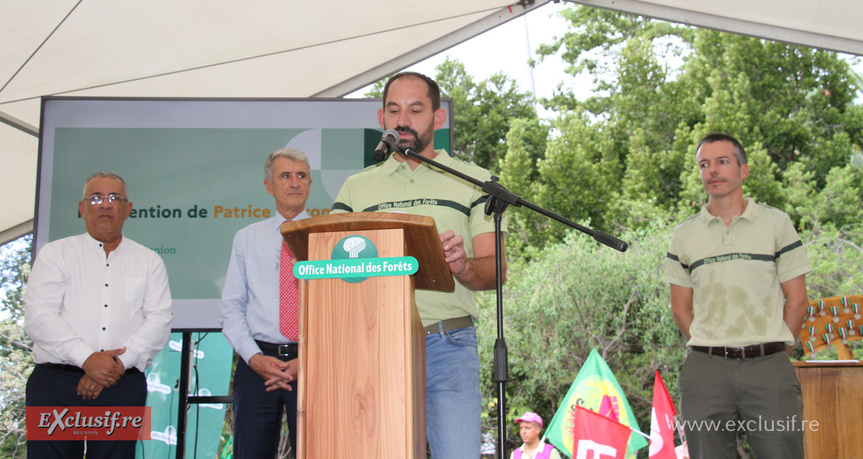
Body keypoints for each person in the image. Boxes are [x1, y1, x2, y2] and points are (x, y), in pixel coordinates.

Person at [331, 71, 506, 458]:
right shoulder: (356, 187)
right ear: (381, 119)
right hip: (373, 345)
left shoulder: (476, 181)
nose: (403, 119)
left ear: (438, 118)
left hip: (449, 344)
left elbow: (496, 271)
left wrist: (462, 265)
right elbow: (329, 262)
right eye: (393, 110)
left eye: (415, 109)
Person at [664, 133, 812, 459]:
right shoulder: (684, 235)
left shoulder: (777, 224)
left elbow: (798, 300)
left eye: (722, 162)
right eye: (704, 164)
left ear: (743, 170)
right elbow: (680, 310)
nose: (713, 171)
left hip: (769, 368)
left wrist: (774, 348)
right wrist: (713, 345)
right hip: (705, 372)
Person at [24, 171, 173, 458]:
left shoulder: (149, 261)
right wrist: (88, 360)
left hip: (122, 385)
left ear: (128, 209)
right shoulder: (55, 254)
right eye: (95, 198)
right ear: (82, 208)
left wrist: (113, 366)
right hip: (55, 384)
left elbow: (159, 321)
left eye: (114, 198)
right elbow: (39, 318)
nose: (105, 204)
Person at [220, 148, 313, 457]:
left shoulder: (327, 237)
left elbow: (338, 311)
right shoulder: (246, 238)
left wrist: (310, 359)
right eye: (285, 176)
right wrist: (255, 359)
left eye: (301, 176)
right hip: (257, 364)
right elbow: (231, 309)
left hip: (312, 363)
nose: (295, 183)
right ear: (269, 186)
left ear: (310, 184)